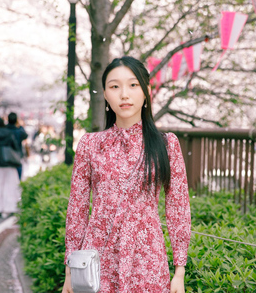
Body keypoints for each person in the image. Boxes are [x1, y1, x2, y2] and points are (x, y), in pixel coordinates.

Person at [62, 56, 191, 293]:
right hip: (97, 260)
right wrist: (70, 270)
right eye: (114, 86)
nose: (124, 94)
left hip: (147, 260)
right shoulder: (90, 145)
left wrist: (179, 272)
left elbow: (178, 208)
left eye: (133, 85)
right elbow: (77, 210)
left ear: (145, 92)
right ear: (105, 95)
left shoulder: (166, 144)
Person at [0, 117, 21, 218]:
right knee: (9, 187)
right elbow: (16, 148)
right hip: (9, 164)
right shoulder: (10, 135)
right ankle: (8, 209)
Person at [6, 112, 28, 180]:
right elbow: (25, 135)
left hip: (6, 155)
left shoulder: (5, 130)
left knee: (8, 177)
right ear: (16, 120)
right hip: (17, 155)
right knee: (18, 176)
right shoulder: (19, 131)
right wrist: (20, 125)